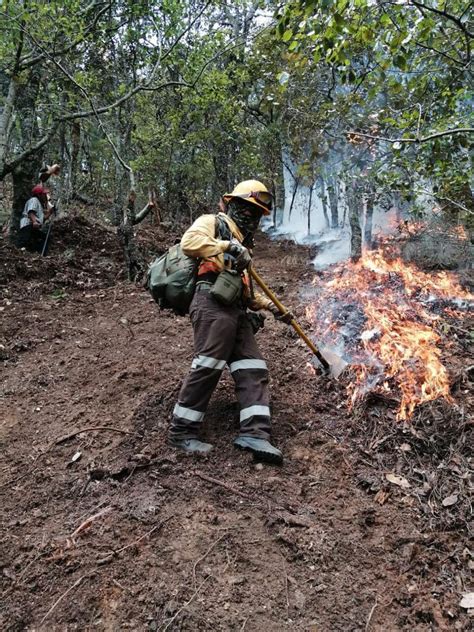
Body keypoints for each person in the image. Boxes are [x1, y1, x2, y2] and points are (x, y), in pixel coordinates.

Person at [169, 179, 291, 465]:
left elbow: (247, 293)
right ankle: (181, 432)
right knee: (208, 365)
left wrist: (274, 308)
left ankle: (255, 434)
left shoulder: (244, 245)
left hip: (236, 311)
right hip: (210, 304)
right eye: (247, 208)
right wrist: (228, 247)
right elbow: (189, 243)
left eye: (258, 213)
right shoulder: (213, 224)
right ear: (232, 204)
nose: (252, 216)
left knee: (253, 367)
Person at [17, 164, 60, 253]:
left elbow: (42, 219)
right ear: (39, 194)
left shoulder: (40, 204)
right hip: (28, 225)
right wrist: (34, 221)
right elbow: (31, 212)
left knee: (43, 239)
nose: (45, 196)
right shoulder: (34, 200)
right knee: (24, 242)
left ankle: (41, 255)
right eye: (44, 194)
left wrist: (50, 212)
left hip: (34, 227)